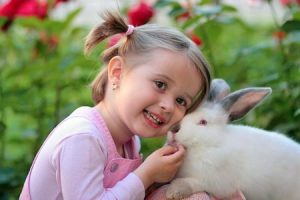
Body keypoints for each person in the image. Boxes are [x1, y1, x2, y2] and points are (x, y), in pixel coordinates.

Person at [19, 10, 241, 200]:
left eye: (181, 100)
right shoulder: (82, 137)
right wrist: (146, 175)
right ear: (117, 73)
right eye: (160, 84)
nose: (168, 106)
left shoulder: (128, 140)